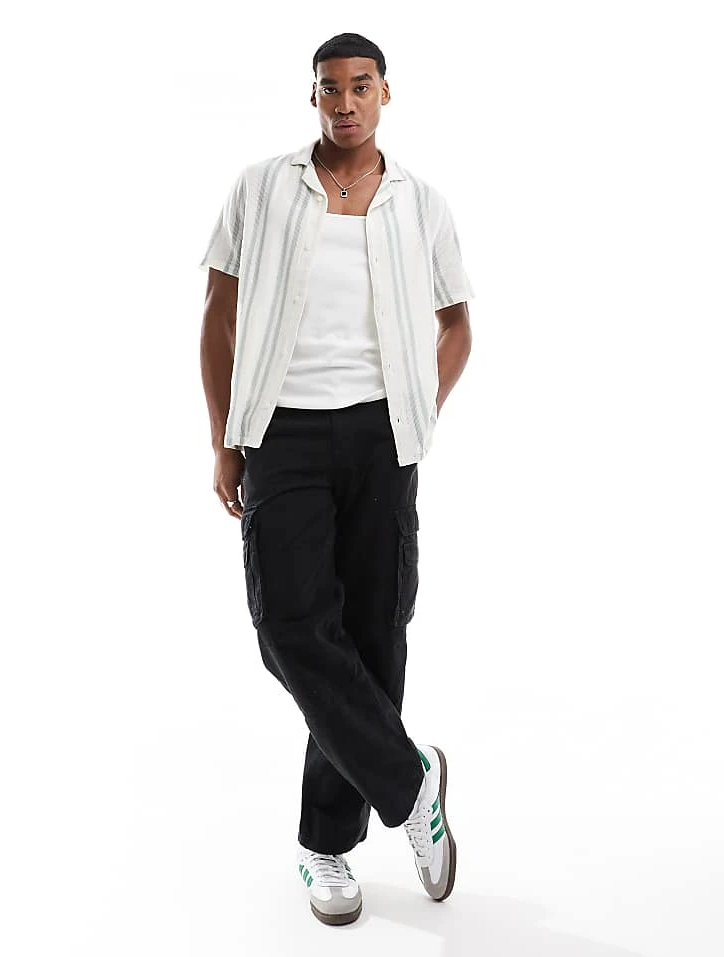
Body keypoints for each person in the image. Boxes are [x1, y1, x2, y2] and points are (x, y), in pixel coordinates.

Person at [198, 32, 474, 926]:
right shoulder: (262, 187)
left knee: (372, 637)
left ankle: (327, 844)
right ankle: (411, 781)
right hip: (281, 431)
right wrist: (224, 439)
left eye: (361, 86)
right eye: (330, 88)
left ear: (386, 93)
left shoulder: (419, 203)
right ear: (312, 96)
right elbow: (217, 314)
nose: (345, 102)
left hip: (382, 434)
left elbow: (458, 324)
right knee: (288, 626)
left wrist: (421, 409)